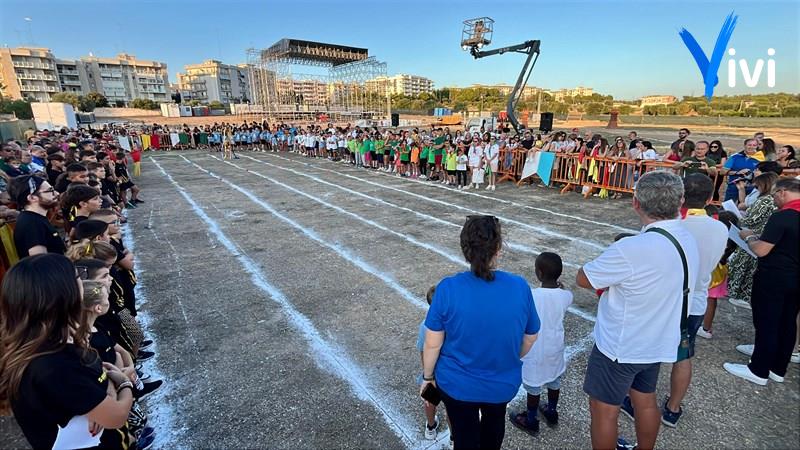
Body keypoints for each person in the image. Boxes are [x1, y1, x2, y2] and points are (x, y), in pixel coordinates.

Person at [576, 171, 699, 449]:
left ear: (636, 203)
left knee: (603, 409)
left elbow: (585, 278)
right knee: (645, 400)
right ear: (680, 201)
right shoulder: (687, 238)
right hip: (657, 339)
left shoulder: (633, 248)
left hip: (623, 344)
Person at [421, 215, 540, 450]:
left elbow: (432, 344)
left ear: (466, 250)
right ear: (498, 249)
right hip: (501, 384)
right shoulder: (519, 286)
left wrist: (427, 377)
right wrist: (511, 356)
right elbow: (530, 336)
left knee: (464, 437)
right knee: (493, 430)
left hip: (457, 385)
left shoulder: (447, 288)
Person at [620, 174, 726, 428]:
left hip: (662, 302)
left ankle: (635, 402)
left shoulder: (670, 228)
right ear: (710, 198)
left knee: (644, 355)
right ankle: (673, 408)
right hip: (696, 301)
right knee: (683, 356)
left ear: (679, 198)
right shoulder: (719, 227)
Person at [0, 254, 134, 449]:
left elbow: (96, 387)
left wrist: (105, 394)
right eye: (77, 275)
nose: (82, 280)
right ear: (63, 293)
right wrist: (123, 382)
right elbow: (116, 416)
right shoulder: (54, 364)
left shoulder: (41, 345)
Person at [725, 178, 800, 384]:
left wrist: (749, 236)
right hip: (795, 277)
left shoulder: (783, 216)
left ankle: (758, 369)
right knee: (787, 321)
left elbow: (760, 250)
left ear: (783, 192)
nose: (773, 199)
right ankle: (778, 367)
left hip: (774, 276)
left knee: (768, 321)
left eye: (775, 194)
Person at [510, 252, 572, 437]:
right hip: (555, 347)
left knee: (534, 384)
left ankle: (530, 419)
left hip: (535, 347)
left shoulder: (532, 295)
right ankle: (551, 411)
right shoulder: (566, 296)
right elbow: (566, 295)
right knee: (554, 379)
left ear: (539, 273)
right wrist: (560, 288)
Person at [727, 173, 779, 309]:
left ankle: (735, 293)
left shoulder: (765, 200)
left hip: (751, 235)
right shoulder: (772, 199)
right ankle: (741, 294)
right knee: (749, 266)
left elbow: (751, 220)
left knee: (742, 264)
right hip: (760, 234)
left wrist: (734, 216)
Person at [698, 211, 740, 338]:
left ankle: (706, 328)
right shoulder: (730, 241)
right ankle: (706, 327)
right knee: (712, 300)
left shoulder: (718, 238)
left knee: (709, 300)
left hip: (713, 272)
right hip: (721, 271)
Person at [8, 175, 65, 257]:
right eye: (50, 190)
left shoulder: (34, 218)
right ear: (32, 198)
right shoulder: (32, 224)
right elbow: (41, 262)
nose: (56, 193)